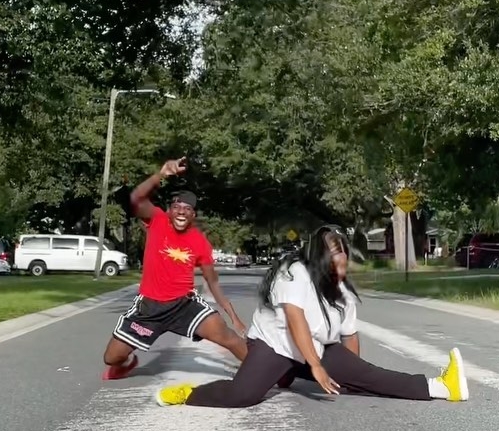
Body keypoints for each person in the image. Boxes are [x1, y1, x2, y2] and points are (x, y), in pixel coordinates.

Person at [154, 225, 469, 407]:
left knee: (368, 376)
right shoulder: (295, 273)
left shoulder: (343, 292)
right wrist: (316, 368)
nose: (342, 255)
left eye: (343, 250)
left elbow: (350, 336)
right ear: (319, 256)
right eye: (334, 251)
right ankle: (189, 394)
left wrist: (351, 374)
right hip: (275, 346)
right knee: (244, 395)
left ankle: (442, 386)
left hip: (313, 349)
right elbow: (295, 320)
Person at [102, 158, 248, 380]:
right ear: (169, 211)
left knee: (229, 337)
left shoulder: (200, 242)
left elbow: (213, 283)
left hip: (184, 305)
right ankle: (127, 363)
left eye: (187, 209)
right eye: (177, 207)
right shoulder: (158, 220)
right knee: (111, 358)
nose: (181, 212)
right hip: (149, 309)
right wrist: (161, 174)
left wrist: (234, 317)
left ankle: (262, 372)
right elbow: (135, 198)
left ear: (193, 215)